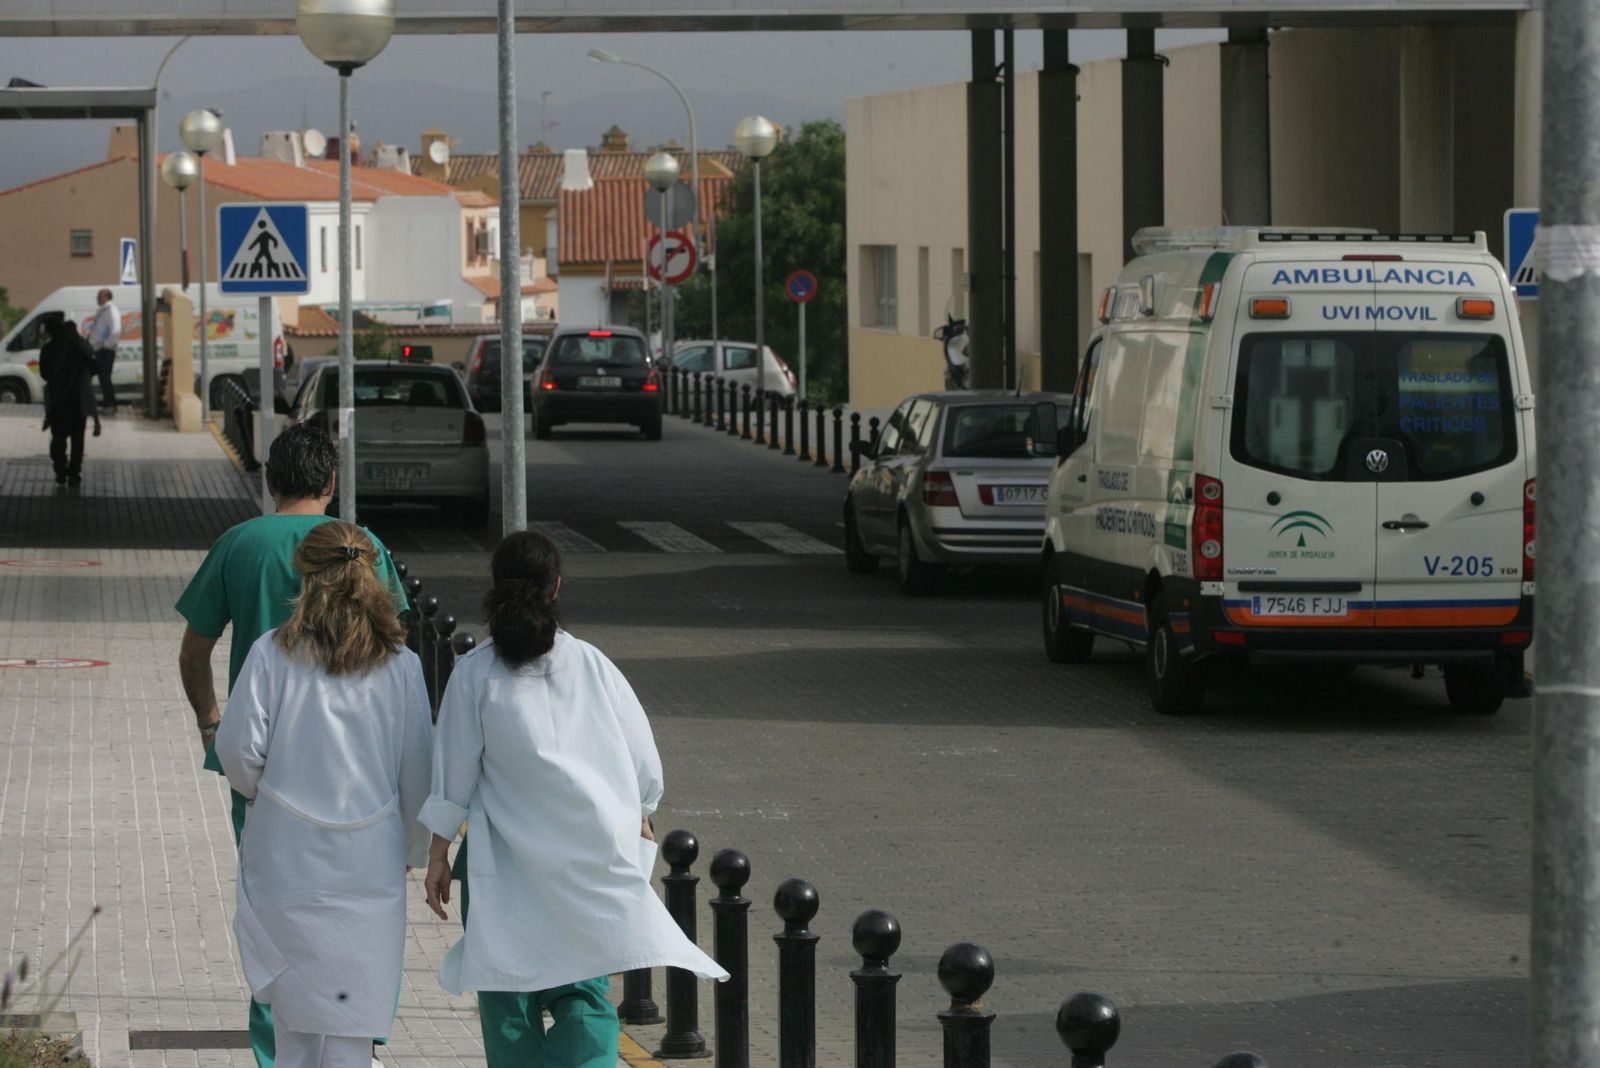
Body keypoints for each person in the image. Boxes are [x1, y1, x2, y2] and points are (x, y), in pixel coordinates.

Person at [421, 531, 727, 1068]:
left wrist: (437, 855)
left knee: (508, 998)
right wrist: (643, 815)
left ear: (495, 588)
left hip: (503, 870)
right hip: (588, 862)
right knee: (583, 991)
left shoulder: (475, 674)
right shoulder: (593, 665)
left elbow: (453, 774)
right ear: (557, 587)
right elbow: (644, 765)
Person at [176, 422, 407, 1068]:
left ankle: (276, 1050)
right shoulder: (363, 547)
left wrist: (210, 722)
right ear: (331, 483)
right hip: (358, 780)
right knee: (355, 917)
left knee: (270, 918)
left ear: (269, 481)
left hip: (267, 772)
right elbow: (396, 649)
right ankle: (355, 1039)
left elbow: (193, 651)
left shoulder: (238, 544)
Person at [215, 521, 433, 1068]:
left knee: (293, 1021)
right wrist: (410, 848)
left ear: (305, 577)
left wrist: (263, 796)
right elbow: (418, 774)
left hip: (286, 859)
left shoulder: (271, 654)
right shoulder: (402, 666)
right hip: (368, 866)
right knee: (352, 1022)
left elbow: (238, 752)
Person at [38, 318, 101, 486]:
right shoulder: (79, 349)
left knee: (58, 438)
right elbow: (95, 368)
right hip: (76, 402)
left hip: (57, 401)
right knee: (77, 440)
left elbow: (44, 374)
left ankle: (60, 468)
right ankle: (74, 473)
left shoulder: (48, 349)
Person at [87, 288, 121, 412]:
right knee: (102, 377)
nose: (97, 298)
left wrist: (106, 346)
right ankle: (108, 404)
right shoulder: (103, 311)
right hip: (99, 349)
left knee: (105, 377)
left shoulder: (111, 311)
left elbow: (115, 330)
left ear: (106, 296)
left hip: (106, 350)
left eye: (99, 296)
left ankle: (111, 405)